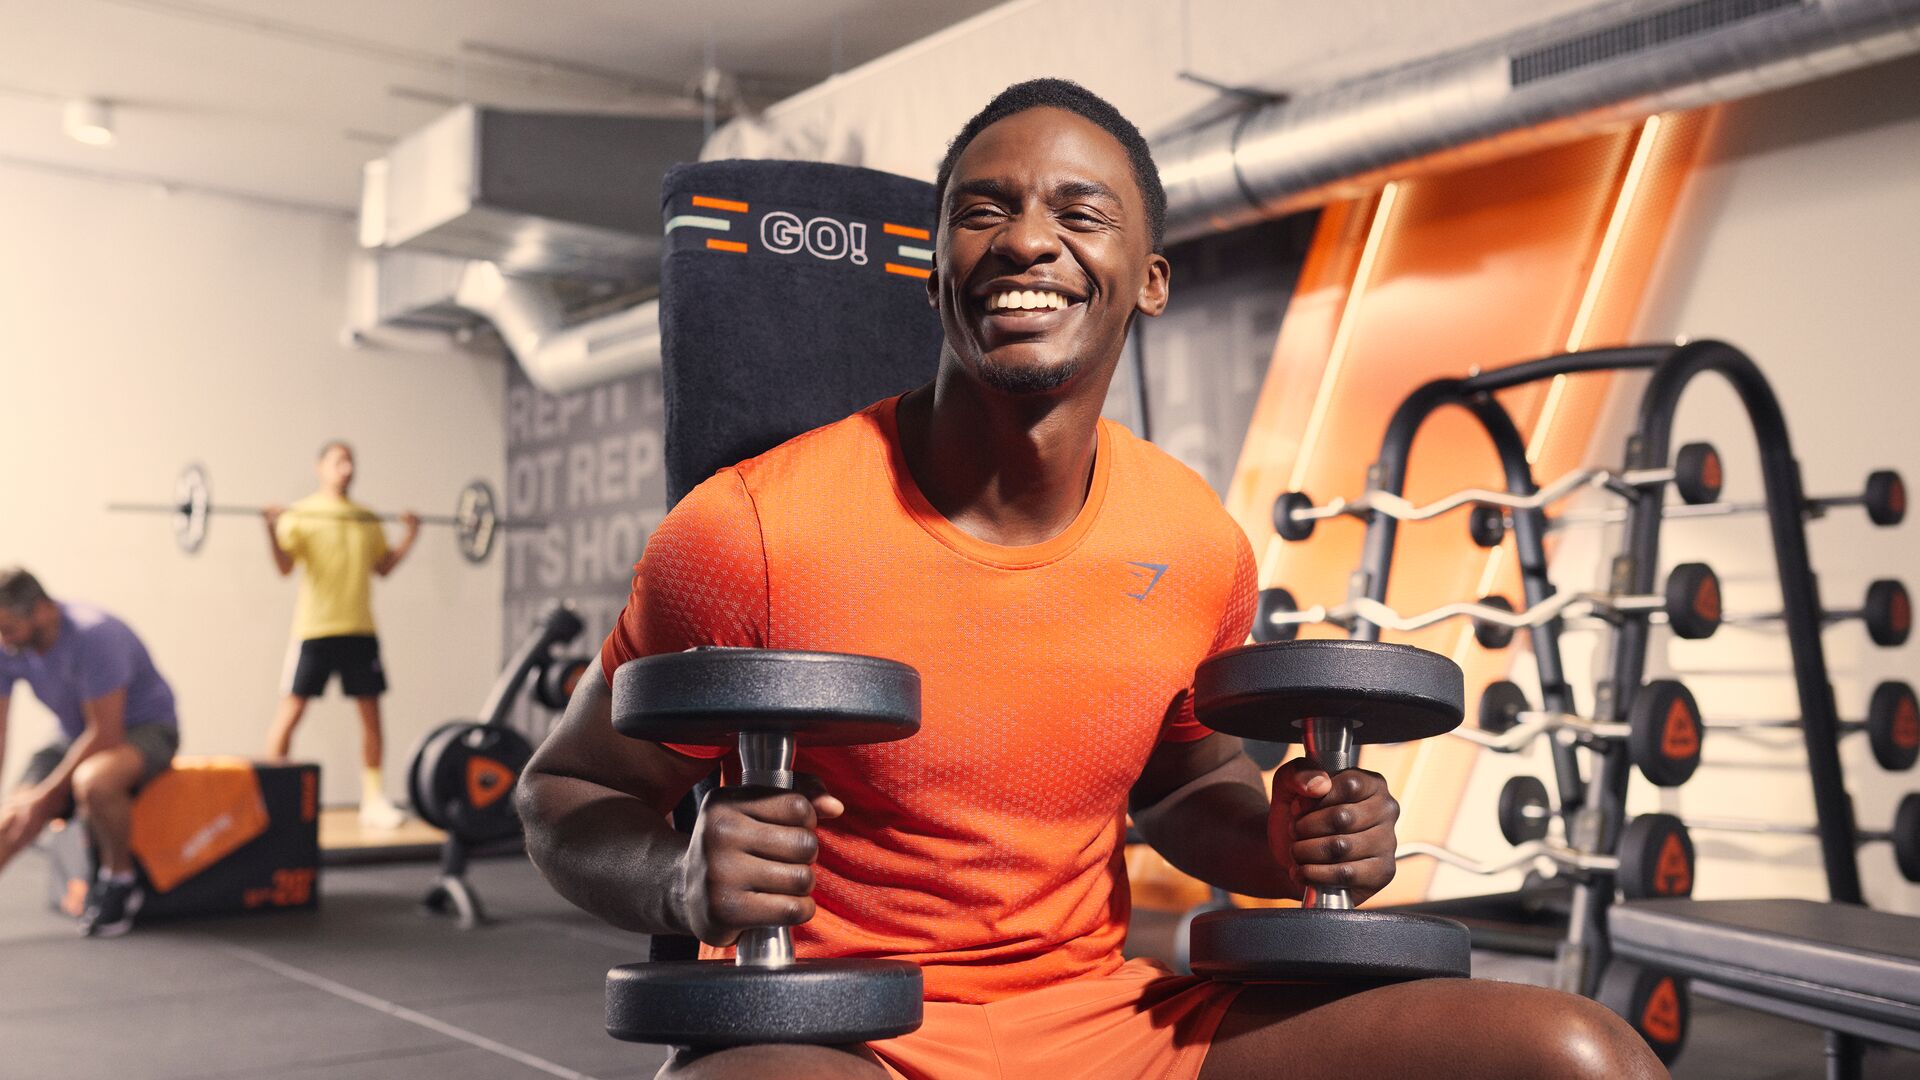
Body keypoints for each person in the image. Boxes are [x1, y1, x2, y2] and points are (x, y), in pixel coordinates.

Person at [519, 79, 1664, 1080]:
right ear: (933, 272)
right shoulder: (746, 532)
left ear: (1147, 279)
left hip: (1117, 1025)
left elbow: (1183, 784)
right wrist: (679, 882)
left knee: (1583, 1058)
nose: (1027, 241)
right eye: (983, 211)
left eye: (1080, 213)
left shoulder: (1195, 540)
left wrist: (1282, 841)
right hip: (840, 1033)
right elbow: (563, 796)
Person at [0, 568, 180, 937]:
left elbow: (106, 734)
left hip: (144, 730)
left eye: (9, 628)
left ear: (43, 611)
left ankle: (119, 880)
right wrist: (26, 801)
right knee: (13, 817)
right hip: (74, 734)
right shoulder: (8, 648)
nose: (4, 640)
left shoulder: (94, 636)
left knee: (93, 783)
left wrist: (46, 795)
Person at [262, 439, 419, 828]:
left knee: (371, 718)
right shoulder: (300, 514)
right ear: (321, 467)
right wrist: (270, 529)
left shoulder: (367, 518)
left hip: (360, 630)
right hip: (314, 629)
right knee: (291, 713)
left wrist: (410, 538)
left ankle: (373, 800)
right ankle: (269, 800)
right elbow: (284, 567)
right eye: (338, 461)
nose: (346, 468)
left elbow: (382, 567)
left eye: (350, 461)